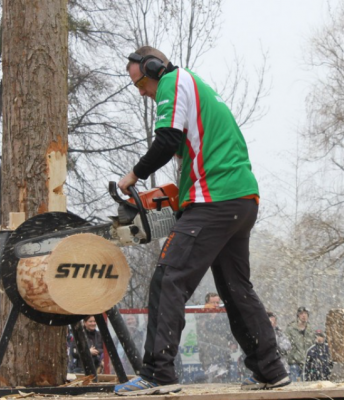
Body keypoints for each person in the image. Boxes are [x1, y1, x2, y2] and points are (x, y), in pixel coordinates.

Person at [114, 45, 290, 395]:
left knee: (168, 279)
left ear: (153, 68)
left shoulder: (172, 81)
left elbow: (167, 140)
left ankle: (157, 374)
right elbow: (197, 154)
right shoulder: (197, 89)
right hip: (239, 200)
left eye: (140, 84)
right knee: (236, 288)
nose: (143, 93)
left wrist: (133, 175)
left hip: (215, 199)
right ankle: (271, 369)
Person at [197, 293, 232, 382]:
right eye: (213, 303)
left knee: (224, 377)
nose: (216, 305)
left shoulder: (223, 316)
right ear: (207, 304)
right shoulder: (201, 315)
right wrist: (209, 315)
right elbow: (202, 330)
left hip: (222, 351)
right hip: (207, 353)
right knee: (210, 377)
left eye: (218, 303)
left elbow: (227, 331)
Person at [285, 307, 315, 382]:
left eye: (305, 314)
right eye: (301, 314)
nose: (303, 316)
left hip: (307, 363)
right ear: (298, 315)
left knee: (307, 387)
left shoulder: (310, 329)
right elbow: (286, 345)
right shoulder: (290, 329)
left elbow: (313, 345)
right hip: (294, 363)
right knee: (294, 386)